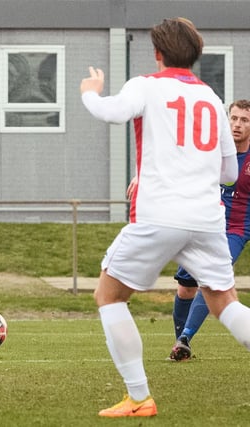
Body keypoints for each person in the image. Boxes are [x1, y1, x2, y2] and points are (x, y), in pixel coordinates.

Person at [80, 17, 250, 418]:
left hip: (160, 214)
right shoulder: (210, 96)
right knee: (225, 302)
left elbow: (110, 112)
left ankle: (139, 398)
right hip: (209, 218)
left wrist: (91, 92)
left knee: (108, 296)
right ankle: (139, 398)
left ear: (157, 54)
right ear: (196, 55)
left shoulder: (146, 85)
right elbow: (228, 172)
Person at [168, 99, 250, 361]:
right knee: (185, 288)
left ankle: (185, 337)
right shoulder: (214, 149)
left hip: (236, 230)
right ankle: (180, 343)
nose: (237, 125)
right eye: (234, 118)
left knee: (211, 279)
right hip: (205, 225)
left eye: (244, 120)